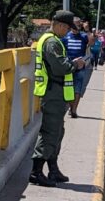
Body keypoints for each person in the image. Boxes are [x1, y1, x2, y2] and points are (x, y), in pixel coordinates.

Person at [31, 10, 86, 187]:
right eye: (67, 29)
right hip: (53, 92)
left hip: (56, 93)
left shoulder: (52, 41)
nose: (68, 32)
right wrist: (75, 64)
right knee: (50, 133)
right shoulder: (52, 43)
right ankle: (36, 172)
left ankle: (53, 170)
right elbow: (60, 68)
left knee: (57, 132)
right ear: (61, 25)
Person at [62, 16, 92, 118]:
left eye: (79, 24)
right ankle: (72, 107)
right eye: (75, 24)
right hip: (69, 66)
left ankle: (74, 109)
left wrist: (87, 30)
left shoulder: (84, 36)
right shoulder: (65, 37)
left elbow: (91, 42)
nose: (77, 26)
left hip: (80, 67)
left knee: (78, 89)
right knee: (69, 89)